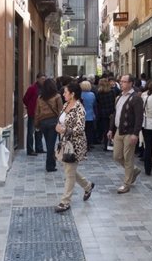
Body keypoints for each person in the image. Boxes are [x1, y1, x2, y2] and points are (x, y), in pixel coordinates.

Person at [54, 81, 94, 213]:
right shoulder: (66, 105)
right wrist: (58, 127)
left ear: (72, 94)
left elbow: (80, 128)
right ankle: (87, 186)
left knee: (69, 173)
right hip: (65, 143)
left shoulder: (79, 108)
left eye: (65, 92)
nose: (63, 94)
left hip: (75, 144)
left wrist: (64, 130)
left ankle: (65, 202)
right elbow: (61, 120)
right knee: (69, 170)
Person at [107, 74, 144, 194]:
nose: (121, 83)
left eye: (124, 81)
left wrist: (136, 133)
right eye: (121, 81)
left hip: (130, 132)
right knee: (117, 156)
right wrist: (111, 129)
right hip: (119, 130)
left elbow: (139, 118)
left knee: (128, 158)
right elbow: (115, 114)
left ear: (130, 83)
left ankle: (126, 183)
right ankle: (134, 170)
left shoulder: (136, 98)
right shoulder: (118, 97)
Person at [35, 78, 63, 173]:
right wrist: (61, 123)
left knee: (48, 143)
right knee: (51, 144)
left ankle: (51, 164)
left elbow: (37, 112)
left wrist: (37, 123)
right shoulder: (57, 97)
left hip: (43, 122)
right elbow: (61, 111)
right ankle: (50, 165)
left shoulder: (40, 98)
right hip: (53, 123)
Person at [23, 73, 46, 156]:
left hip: (41, 113)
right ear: (37, 79)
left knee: (39, 131)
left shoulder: (45, 88)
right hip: (33, 113)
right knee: (30, 132)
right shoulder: (32, 88)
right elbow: (25, 99)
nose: (44, 80)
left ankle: (39, 148)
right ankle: (30, 150)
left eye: (44, 79)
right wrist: (30, 106)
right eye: (42, 79)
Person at [96, 78, 116, 149]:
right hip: (111, 112)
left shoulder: (99, 93)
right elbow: (114, 102)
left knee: (105, 129)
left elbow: (98, 104)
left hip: (103, 113)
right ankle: (111, 143)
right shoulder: (112, 92)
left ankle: (105, 145)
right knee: (111, 128)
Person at [80, 81, 96, 151]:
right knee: (89, 131)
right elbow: (94, 104)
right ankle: (88, 144)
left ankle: (82, 144)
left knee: (82, 131)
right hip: (90, 114)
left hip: (81, 115)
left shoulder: (80, 94)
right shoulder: (92, 94)